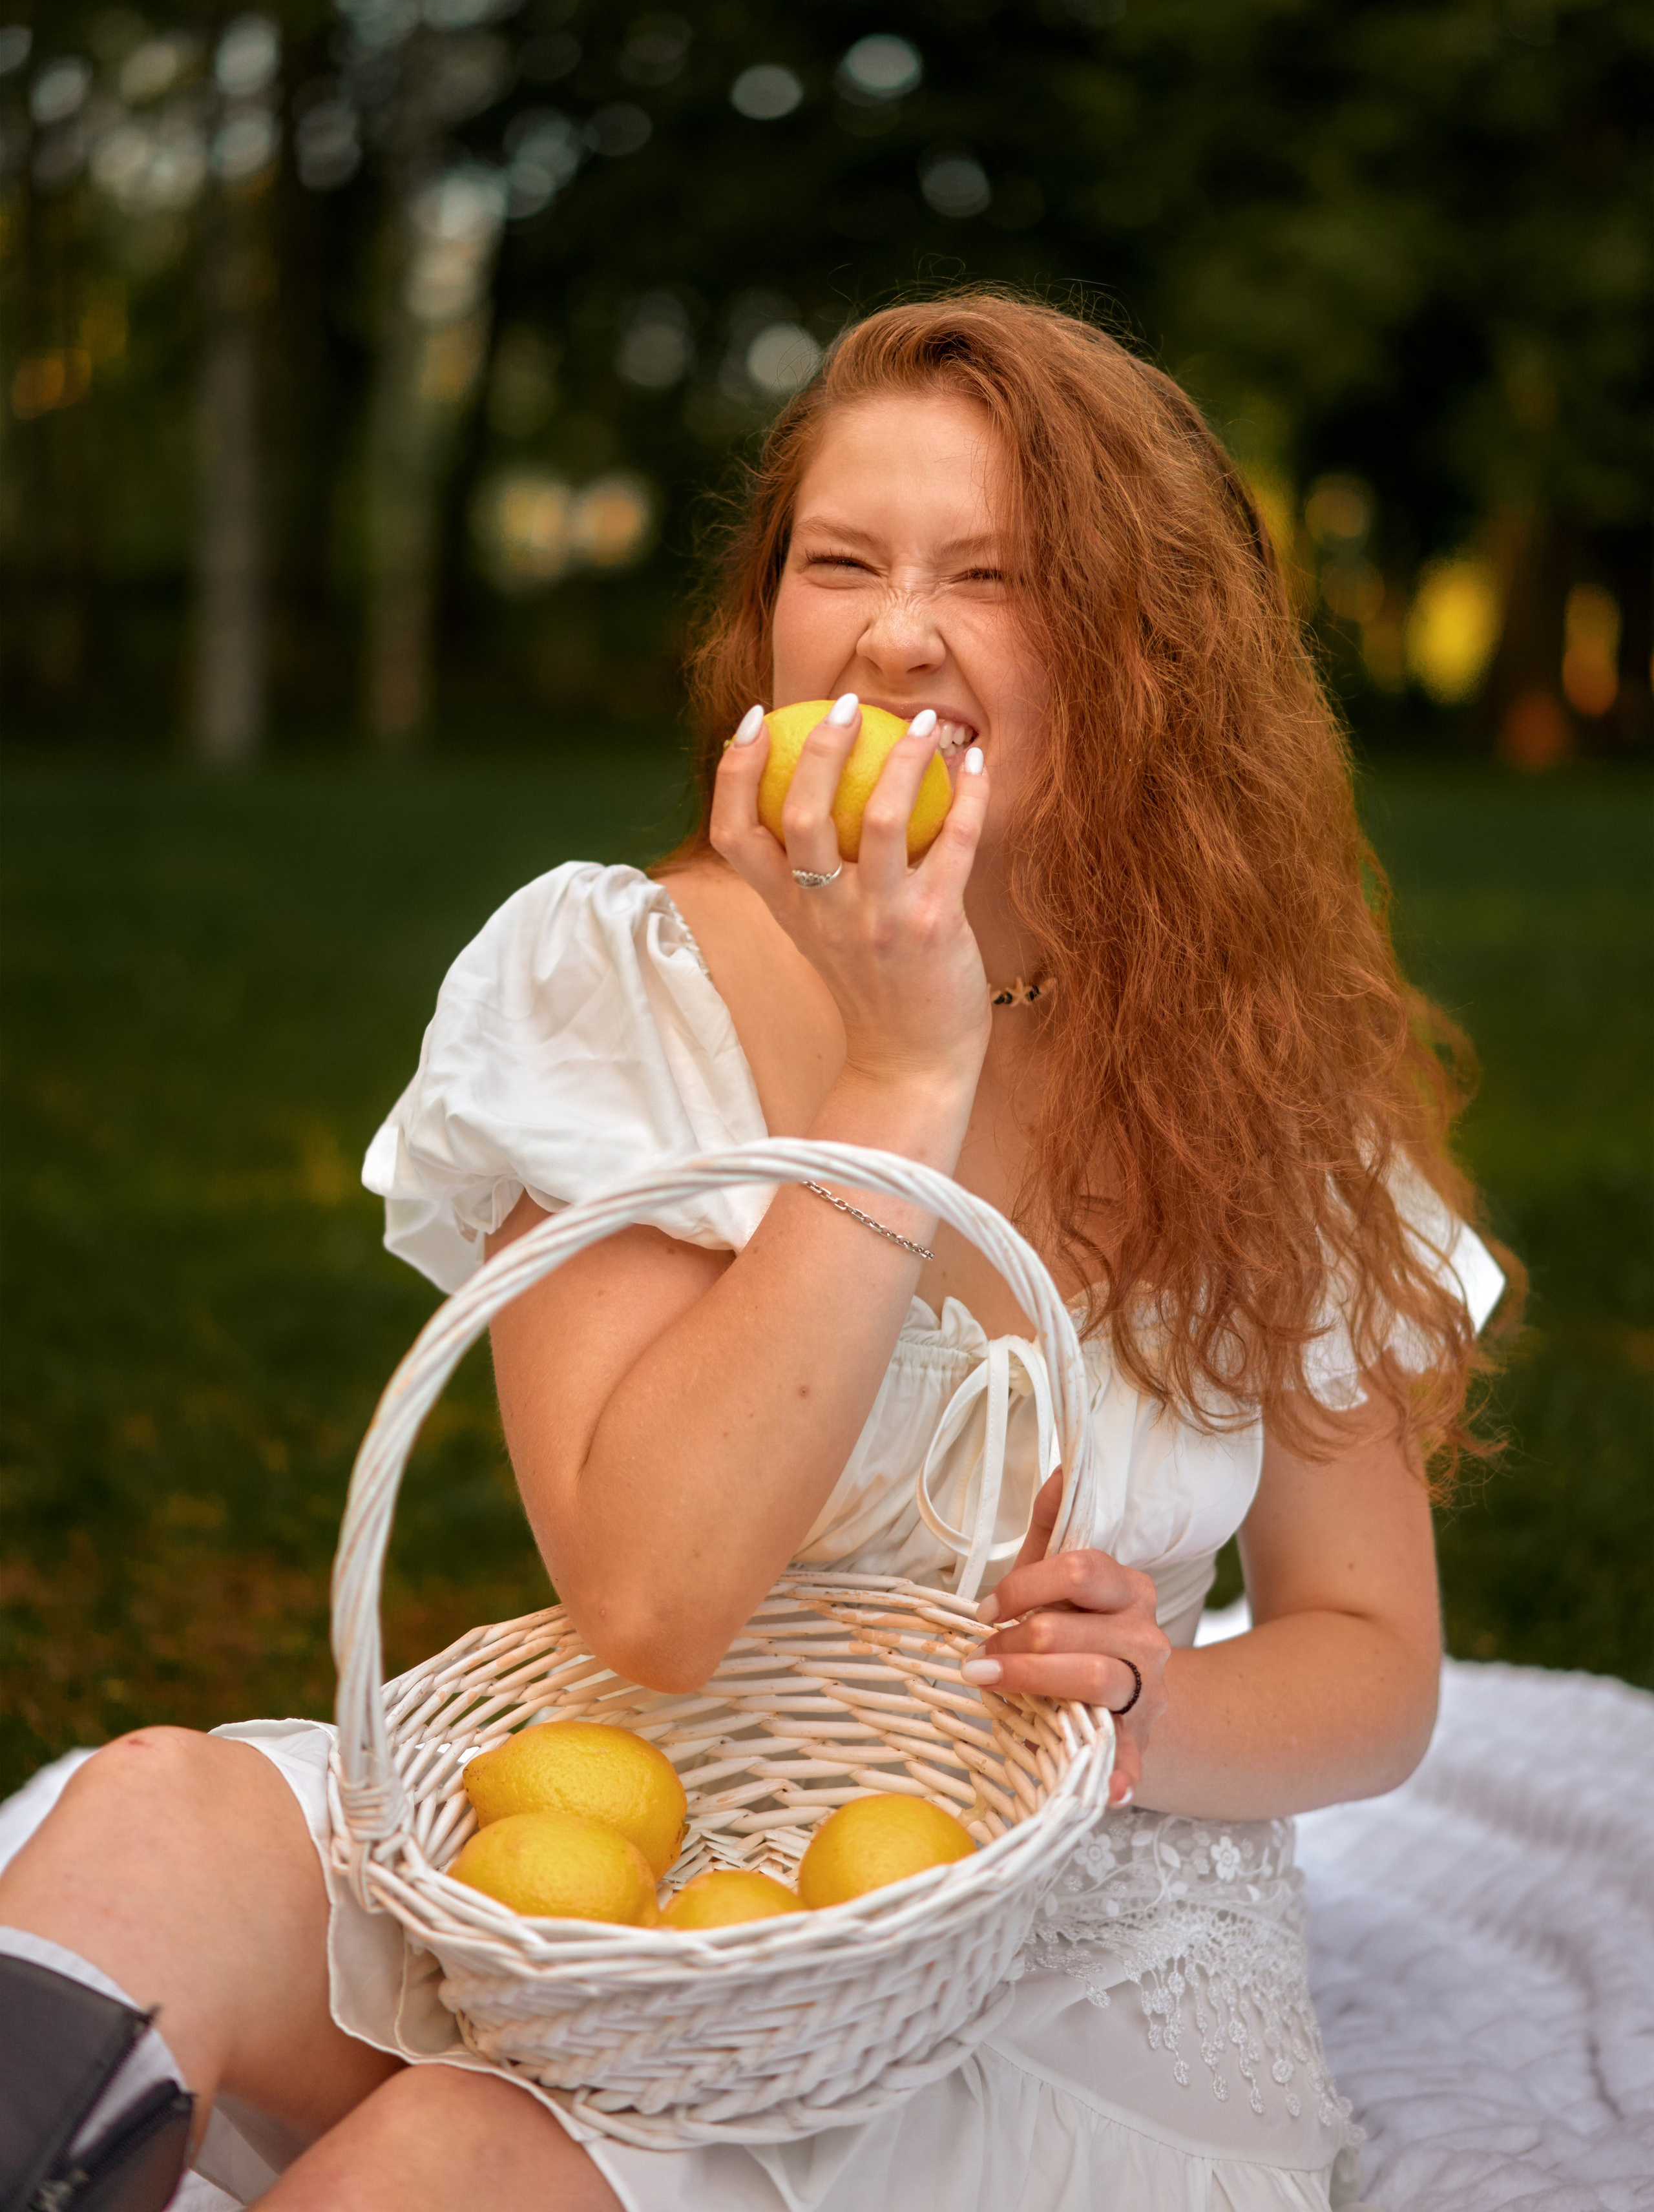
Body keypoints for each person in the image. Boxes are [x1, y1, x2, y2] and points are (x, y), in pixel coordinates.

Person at [0, 293, 1514, 2211]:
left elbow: (1371, 1659)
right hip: (626, 1878)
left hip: (1045, 1973)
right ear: (770, 619)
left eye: (995, 574)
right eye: (842, 563)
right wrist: (901, 1063)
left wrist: (1151, 1715)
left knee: (455, 2160)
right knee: (152, 1823)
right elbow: (652, 1600)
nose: (898, 628)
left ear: (1145, 650)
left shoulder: (1263, 1068)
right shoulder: (609, 978)